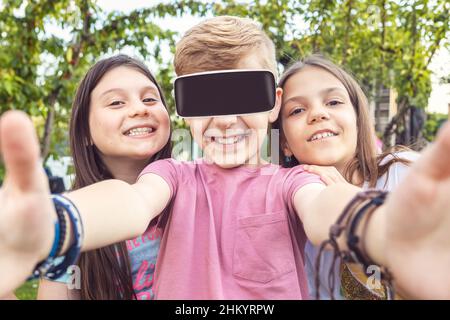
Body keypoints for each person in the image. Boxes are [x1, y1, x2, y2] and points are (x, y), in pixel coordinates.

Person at [1, 16, 450, 300]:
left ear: (273, 102)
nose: (225, 118)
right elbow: (131, 205)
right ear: (183, 111)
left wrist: (381, 226)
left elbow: (323, 210)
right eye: (204, 99)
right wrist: (58, 223)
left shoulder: (291, 181)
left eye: (241, 94)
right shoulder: (173, 176)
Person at [14, 55, 172, 300]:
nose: (140, 108)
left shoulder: (195, 190)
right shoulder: (67, 223)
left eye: (150, 99)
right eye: (117, 102)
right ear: (85, 131)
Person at [273, 54, 420, 299]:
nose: (318, 114)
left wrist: (356, 206)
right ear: (285, 143)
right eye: (297, 110)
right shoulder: (287, 209)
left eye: (333, 102)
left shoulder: (404, 174)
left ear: (357, 118)